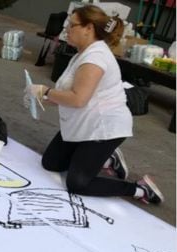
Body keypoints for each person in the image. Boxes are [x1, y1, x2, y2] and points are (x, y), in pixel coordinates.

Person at [26, 5, 164, 204]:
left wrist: (46, 91)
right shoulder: (81, 53)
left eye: (72, 25)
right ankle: (108, 159)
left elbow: (78, 98)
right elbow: (74, 96)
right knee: (51, 163)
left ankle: (140, 189)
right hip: (84, 120)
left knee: (77, 183)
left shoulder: (96, 58)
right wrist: (43, 98)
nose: (66, 29)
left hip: (104, 127)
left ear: (88, 28)